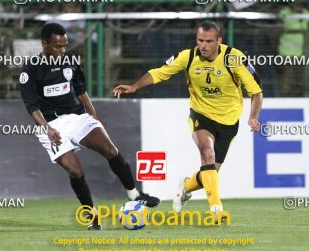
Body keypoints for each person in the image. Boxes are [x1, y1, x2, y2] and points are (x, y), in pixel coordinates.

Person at [113, 21, 263, 222]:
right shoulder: (188, 56)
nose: (204, 45)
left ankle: (185, 186)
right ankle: (216, 210)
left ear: (219, 41)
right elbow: (159, 72)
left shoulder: (234, 58)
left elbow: (256, 92)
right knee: (207, 154)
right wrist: (134, 86)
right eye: (200, 40)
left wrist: (253, 117)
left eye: (209, 41)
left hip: (229, 120)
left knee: (209, 174)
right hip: (201, 114)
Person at [19, 23, 160, 230]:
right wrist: (48, 129)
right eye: (58, 47)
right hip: (50, 125)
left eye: (65, 46)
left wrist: (94, 114)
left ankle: (135, 194)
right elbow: (31, 106)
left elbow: (80, 90)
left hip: (77, 118)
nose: (62, 51)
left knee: (110, 149)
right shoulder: (30, 70)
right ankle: (92, 216)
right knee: (75, 171)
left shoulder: (71, 62)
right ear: (45, 44)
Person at [277, 0, 309, 96]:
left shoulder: (306, 13)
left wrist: (298, 14)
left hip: (300, 55)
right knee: (286, 84)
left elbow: (304, 27)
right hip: (285, 54)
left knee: (301, 84)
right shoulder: (284, 12)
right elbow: (285, 27)